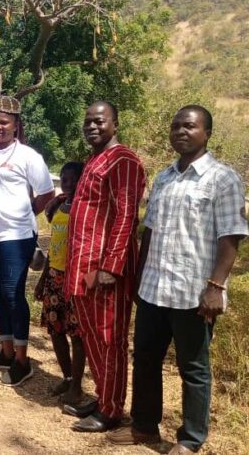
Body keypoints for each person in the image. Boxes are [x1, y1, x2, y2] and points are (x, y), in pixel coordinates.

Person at [108, 106, 248, 454]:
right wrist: (140, 277)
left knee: (194, 368)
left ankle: (190, 439)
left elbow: (230, 237)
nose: (180, 132)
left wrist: (215, 287)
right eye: (175, 126)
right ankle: (144, 427)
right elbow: (150, 231)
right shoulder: (164, 178)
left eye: (189, 126)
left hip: (194, 292)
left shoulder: (223, 178)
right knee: (145, 359)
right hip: (155, 287)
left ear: (207, 133)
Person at [64, 101, 146, 432]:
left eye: (99, 121)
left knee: (109, 339)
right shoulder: (95, 159)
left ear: (115, 123)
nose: (92, 127)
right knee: (93, 337)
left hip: (103, 271)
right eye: (88, 122)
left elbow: (127, 215)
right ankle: (102, 396)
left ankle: (112, 411)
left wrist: (111, 266)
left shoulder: (124, 160)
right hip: (82, 268)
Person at [0, 95, 55, 386]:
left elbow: (46, 194)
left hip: (16, 237)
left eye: (4, 122)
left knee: (12, 295)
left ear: (16, 125)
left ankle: (22, 361)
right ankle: (6, 352)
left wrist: (24, 213)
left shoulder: (27, 156)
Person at [35, 162, 86, 402]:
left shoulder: (86, 208)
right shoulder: (56, 206)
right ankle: (66, 378)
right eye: (64, 179)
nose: (67, 183)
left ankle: (77, 386)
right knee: (56, 330)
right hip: (54, 276)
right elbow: (53, 244)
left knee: (77, 334)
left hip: (75, 279)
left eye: (73, 179)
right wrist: (43, 279)